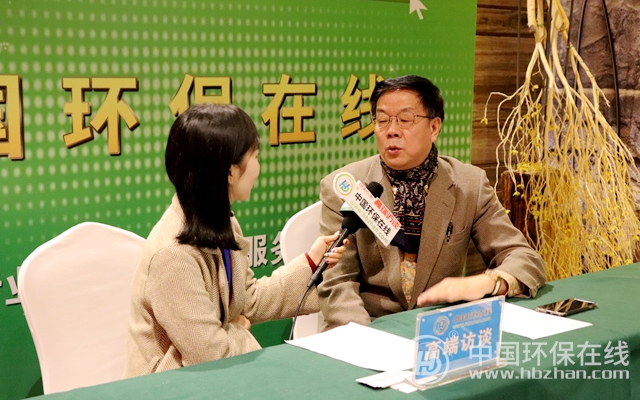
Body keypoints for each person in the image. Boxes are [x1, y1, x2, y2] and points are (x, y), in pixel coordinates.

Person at [125, 103, 347, 377]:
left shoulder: (221, 220)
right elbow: (212, 355)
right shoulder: (173, 255)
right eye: (255, 156)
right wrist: (237, 328)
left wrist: (311, 263)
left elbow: (247, 300)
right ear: (230, 171)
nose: (258, 167)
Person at [317, 75, 545, 330]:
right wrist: (368, 339)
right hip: (366, 328)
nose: (391, 130)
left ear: (434, 128)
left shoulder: (469, 184)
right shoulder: (345, 187)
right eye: (382, 120)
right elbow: (336, 282)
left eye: (405, 120)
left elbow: (522, 257)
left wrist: (490, 282)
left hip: (440, 328)